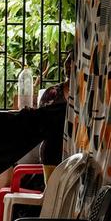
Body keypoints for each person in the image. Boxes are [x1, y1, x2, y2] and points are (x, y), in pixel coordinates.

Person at [38, 51, 72, 182]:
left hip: (77, 154)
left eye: (73, 62)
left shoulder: (88, 95)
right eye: (68, 61)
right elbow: (41, 123)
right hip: (53, 153)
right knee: (54, 195)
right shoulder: (52, 93)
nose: (69, 65)